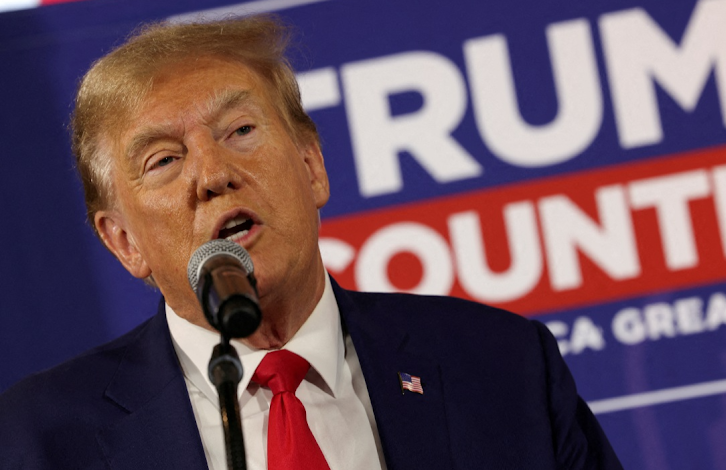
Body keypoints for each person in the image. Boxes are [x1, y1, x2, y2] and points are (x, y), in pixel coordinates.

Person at [0, 16, 623, 470]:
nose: (214, 174)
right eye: (164, 160)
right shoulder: (39, 440)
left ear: (312, 165)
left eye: (240, 129)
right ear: (123, 241)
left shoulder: (501, 366)